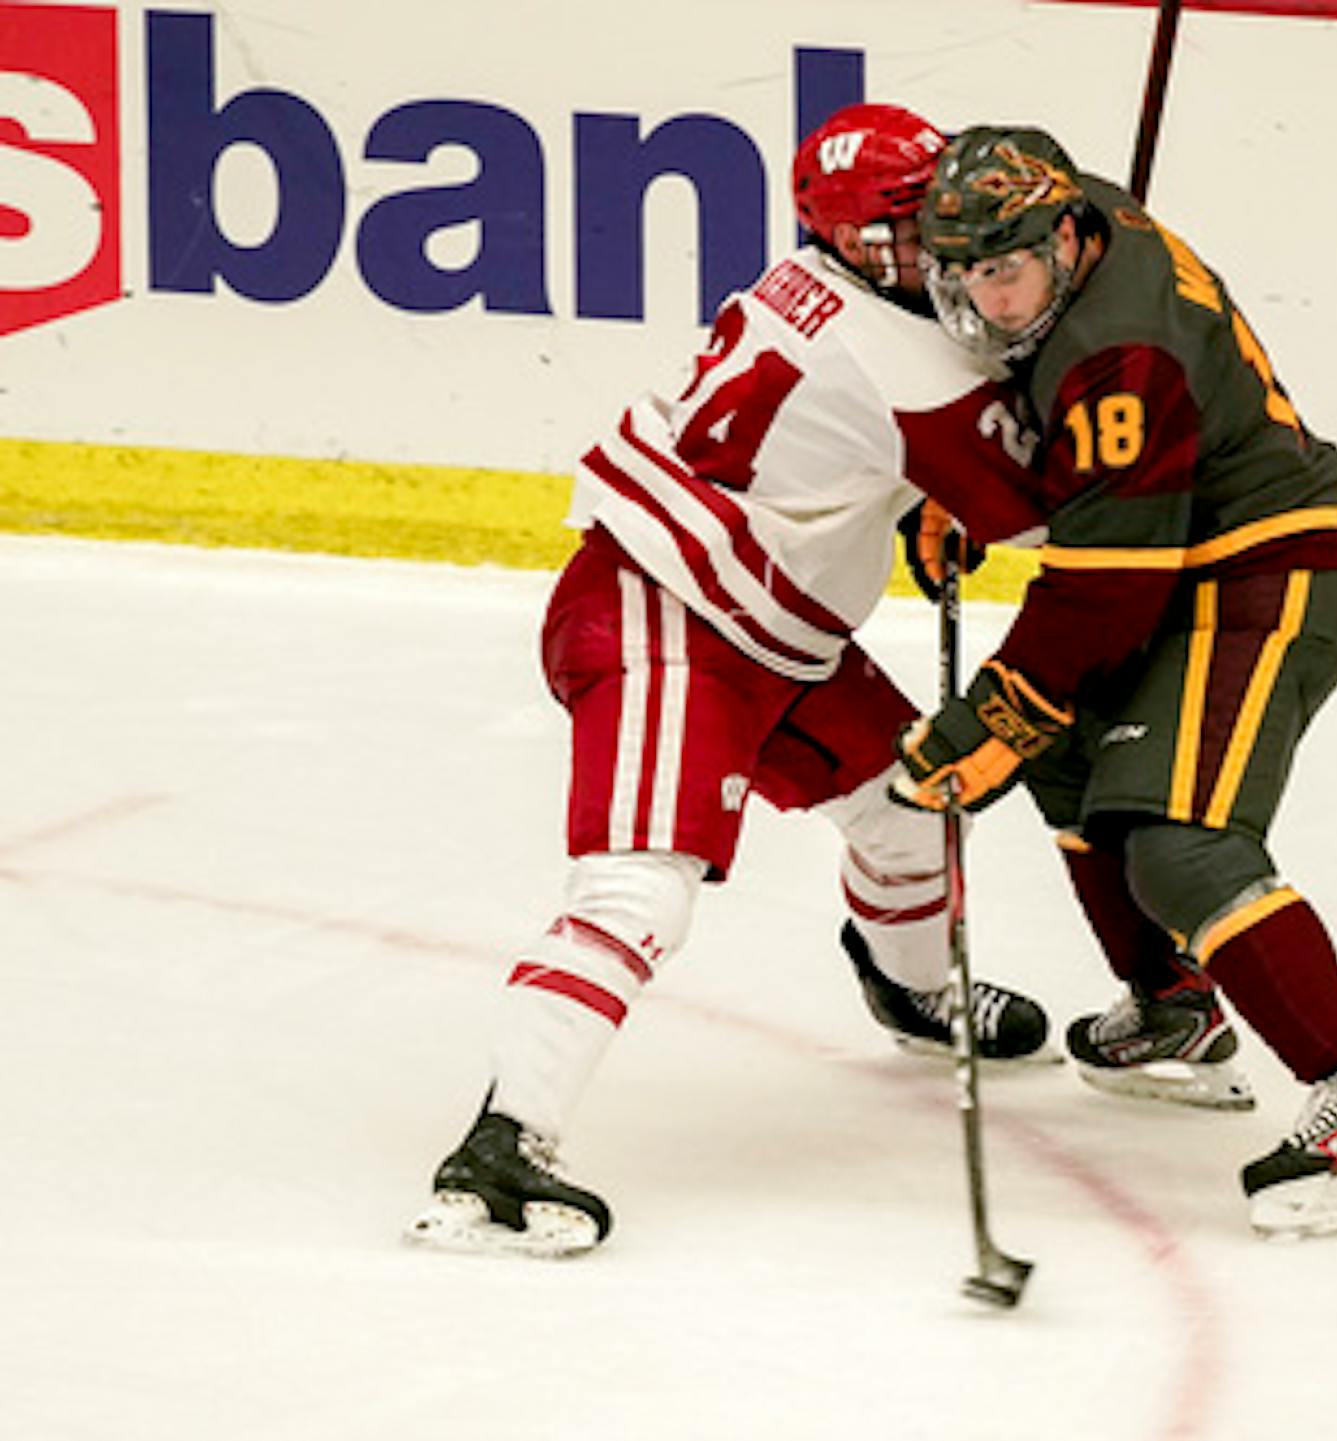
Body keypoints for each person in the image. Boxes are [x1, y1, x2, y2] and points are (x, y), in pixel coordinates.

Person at [406, 104, 1055, 1258]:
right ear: (849, 241)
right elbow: (1040, 502)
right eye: (903, 226)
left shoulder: (820, 285)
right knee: (637, 895)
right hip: (673, 620)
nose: (934, 241)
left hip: (767, 625)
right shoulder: (906, 352)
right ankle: (502, 1151)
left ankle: (913, 991)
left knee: (912, 803)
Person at [893, 125, 1337, 1238]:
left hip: (1266, 574)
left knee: (1180, 843)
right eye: (957, 277)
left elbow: (1106, 589)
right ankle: (1173, 1010)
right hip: (1179, 560)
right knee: (1070, 758)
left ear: (1064, 239)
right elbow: (1090, 474)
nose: (980, 306)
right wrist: (978, 493)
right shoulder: (1081, 219)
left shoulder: (1122, 357)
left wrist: (995, 715)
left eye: (1002, 275)